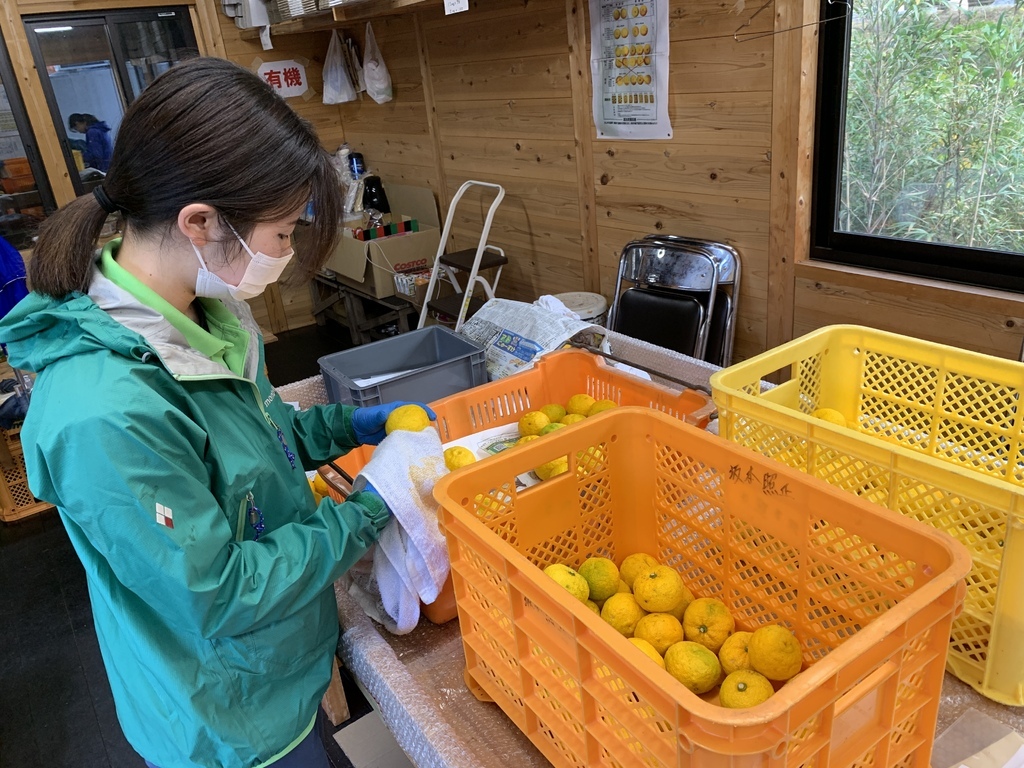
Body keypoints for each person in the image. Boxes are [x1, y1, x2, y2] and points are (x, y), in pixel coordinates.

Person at [0, 57, 433, 768]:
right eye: (284, 233)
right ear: (201, 223)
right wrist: (371, 506)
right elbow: (218, 593)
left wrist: (348, 427)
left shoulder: (203, 310)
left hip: (278, 664)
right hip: (225, 711)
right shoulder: (103, 412)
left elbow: (250, 443)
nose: (288, 255)